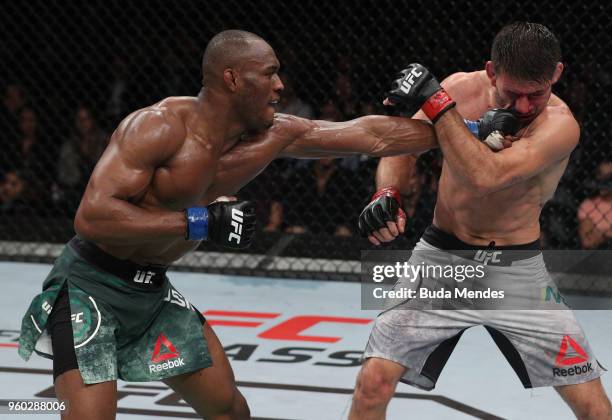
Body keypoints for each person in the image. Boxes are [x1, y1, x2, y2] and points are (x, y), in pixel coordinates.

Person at [17, 30, 508, 419]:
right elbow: (94, 217)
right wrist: (200, 221)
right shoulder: (158, 126)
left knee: (230, 410)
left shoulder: (274, 134)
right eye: (269, 74)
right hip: (88, 289)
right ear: (232, 79)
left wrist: (464, 129)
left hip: (150, 293)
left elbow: (371, 135)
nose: (280, 85)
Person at [351, 22, 611, 419]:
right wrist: (388, 192)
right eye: (513, 93)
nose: (524, 107)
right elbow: (400, 147)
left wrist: (439, 108)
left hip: (516, 273)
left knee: (595, 409)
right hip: (441, 260)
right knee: (372, 385)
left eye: (535, 94)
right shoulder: (458, 90)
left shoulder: (560, 125)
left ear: (557, 73)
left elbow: (487, 177)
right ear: (491, 71)